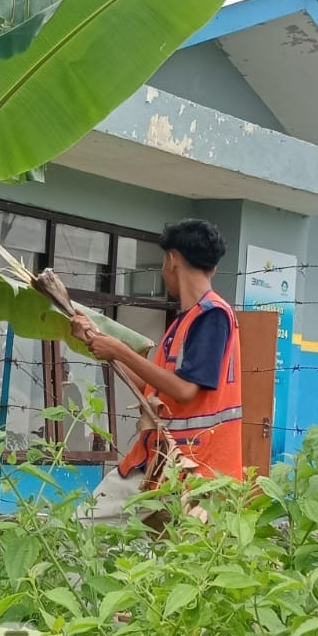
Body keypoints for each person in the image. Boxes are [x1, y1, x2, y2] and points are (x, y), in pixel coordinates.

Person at [69, 218, 243, 521]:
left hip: (194, 473)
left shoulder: (211, 316)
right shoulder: (186, 321)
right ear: (213, 268)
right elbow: (154, 387)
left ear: (171, 261)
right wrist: (100, 346)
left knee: (86, 528)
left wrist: (119, 349)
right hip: (161, 464)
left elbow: (185, 390)